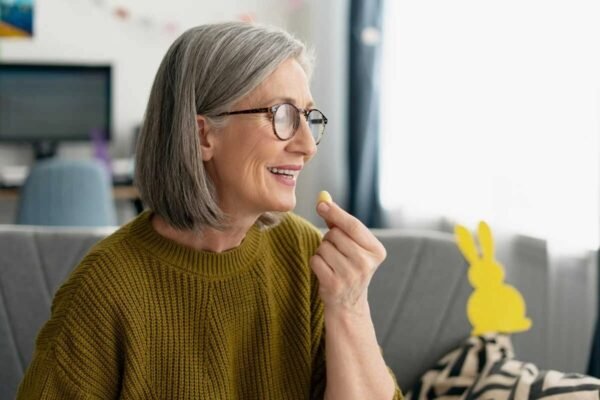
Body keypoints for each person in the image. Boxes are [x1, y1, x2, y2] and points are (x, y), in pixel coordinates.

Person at [17, 22, 402, 399]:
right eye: (282, 115)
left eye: (308, 118)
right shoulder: (103, 288)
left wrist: (349, 305)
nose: (308, 145)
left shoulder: (304, 253)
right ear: (203, 135)